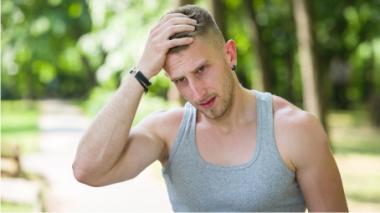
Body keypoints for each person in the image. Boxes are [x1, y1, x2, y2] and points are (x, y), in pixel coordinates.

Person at [72, 5, 348, 212]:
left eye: (202, 69)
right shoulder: (169, 133)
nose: (196, 92)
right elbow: (87, 170)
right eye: (181, 80)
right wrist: (141, 72)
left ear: (229, 54)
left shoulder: (294, 128)